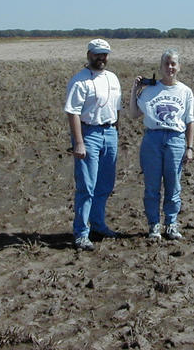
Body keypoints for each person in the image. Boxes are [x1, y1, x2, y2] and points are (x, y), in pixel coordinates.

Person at [129, 48, 194, 240]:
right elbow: (133, 114)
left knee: (173, 185)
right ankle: (154, 225)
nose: (170, 67)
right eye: (166, 63)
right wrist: (135, 90)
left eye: (173, 63)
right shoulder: (150, 90)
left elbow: (190, 121)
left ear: (179, 67)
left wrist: (189, 148)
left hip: (176, 140)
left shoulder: (185, 92)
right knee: (152, 186)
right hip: (152, 139)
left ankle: (171, 224)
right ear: (160, 66)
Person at [64, 38, 122, 250]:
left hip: (110, 133)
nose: (101, 58)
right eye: (97, 53)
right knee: (86, 186)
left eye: (105, 54)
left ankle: (98, 224)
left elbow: (117, 107)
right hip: (89, 134)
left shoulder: (113, 78)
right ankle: (81, 233)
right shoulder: (80, 81)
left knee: (105, 184)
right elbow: (73, 112)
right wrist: (79, 142)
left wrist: (116, 129)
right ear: (89, 54)